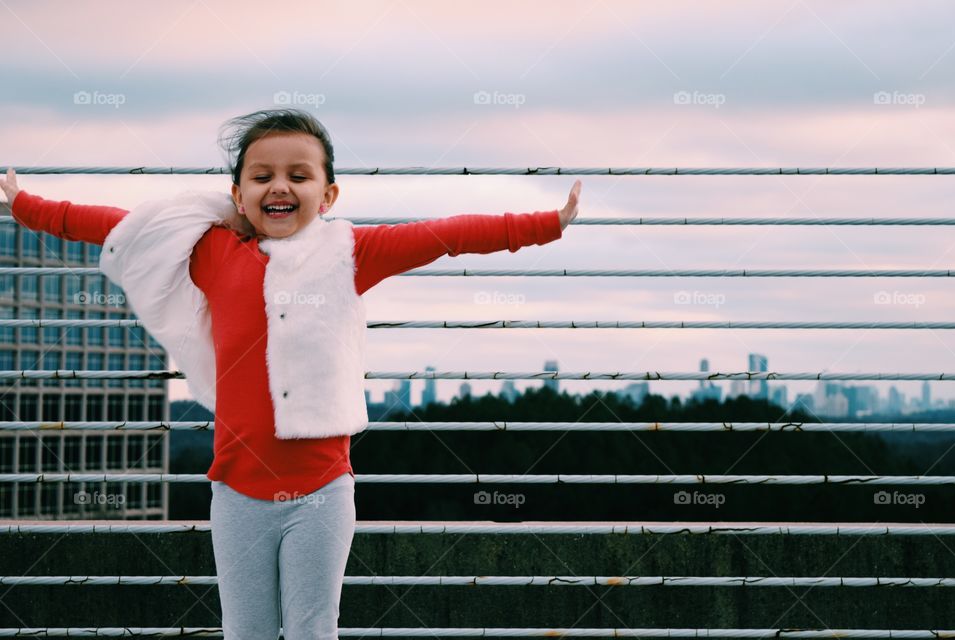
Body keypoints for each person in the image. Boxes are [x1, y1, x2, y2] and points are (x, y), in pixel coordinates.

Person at [0, 108, 581, 640]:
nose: (280, 186)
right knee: (245, 632)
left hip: (323, 493)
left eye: (298, 175)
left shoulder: (352, 250)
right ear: (238, 194)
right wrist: (27, 206)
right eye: (262, 176)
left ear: (327, 193)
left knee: (312, 632)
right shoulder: (211, 251)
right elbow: (117, 226)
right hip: (235, 492)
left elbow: (447, 236)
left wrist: (545, 222)